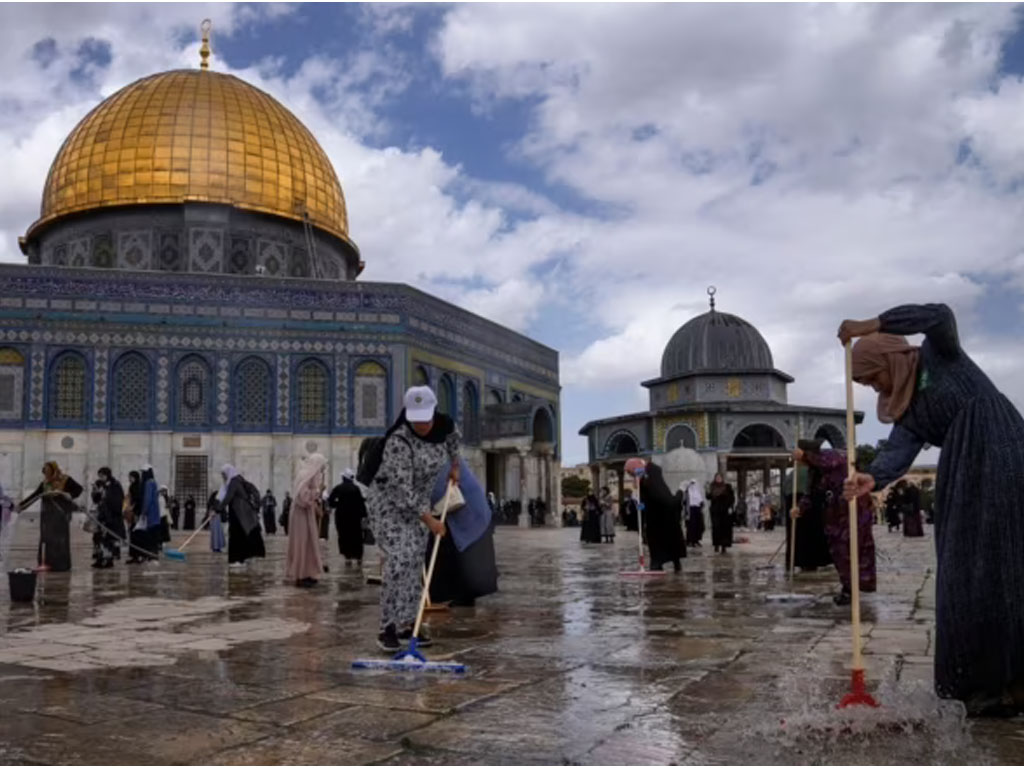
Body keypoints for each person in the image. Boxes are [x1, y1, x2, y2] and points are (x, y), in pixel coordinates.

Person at [840, 303, 1024, 717]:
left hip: (1001, 450)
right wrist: (873, 478)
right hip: (964, 468)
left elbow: (940, 314)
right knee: (966, 569)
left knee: (1005, 558)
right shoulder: (910, 409)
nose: (872, 387)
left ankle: (1014, 679)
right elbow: (897, 451)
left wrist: (873, 323)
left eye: (871, 376)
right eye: (864, 383)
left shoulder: (939, 355)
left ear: (889, 357)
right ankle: (984, 683)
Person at [364, 386, 459, 653]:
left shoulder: (444, 426)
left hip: (419, 503)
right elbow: (402, 491)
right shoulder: (398, 441)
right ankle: (387, 627)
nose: (422, 425)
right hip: (389, 504)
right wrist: (430, 521)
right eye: (416, 420)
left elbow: (453, 442)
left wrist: (455, 467)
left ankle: (408, 623)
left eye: (426, 419)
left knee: (414, 558)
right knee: (399, 558)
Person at [17, 462, 83, 572]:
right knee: (48, 539)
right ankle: (48, 563)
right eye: (45, 471)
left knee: (60, 539)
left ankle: (61, 564)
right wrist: (21, 506)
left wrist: (68, 494)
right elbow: (35, 495)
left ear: (53, 470)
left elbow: (79, 489)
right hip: (48, 516)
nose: (46, 474)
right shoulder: (45, 483)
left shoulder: (65, 480)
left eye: (48, 471)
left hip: (61, 515)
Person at [785, 441, 833, 573]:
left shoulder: (815, 471)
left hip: (809, 506)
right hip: (806, 506)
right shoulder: (802, 473)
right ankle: (809, 561)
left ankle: (800, 560)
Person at [631, 460, 684, 571]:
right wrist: (639, 505)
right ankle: (657, 562)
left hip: (666, 520)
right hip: (653, 521)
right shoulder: (644, 485)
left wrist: (680, 491)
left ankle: (675, 562)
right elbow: (642, 502)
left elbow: (670, 502)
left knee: (670, 542)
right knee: (656, 544)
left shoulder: (656, 484)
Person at [286, 454, 327, 587]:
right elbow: (303, 498)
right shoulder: (305, 475)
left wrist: (316, 508)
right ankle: (300, 575)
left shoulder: (307, 475)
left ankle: (308, 573)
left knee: (308, 543)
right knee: (302, 543)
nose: (321, 471)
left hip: (305, 513)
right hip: (300, 514)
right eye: (321, 468)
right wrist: (318, 491)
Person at [214, 464, 266, 567]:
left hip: (240, 513)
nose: (223, 477)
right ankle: (244, 557)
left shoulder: (234, 481)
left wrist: (218, 509)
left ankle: (237, 560)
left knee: (236, 536)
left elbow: (228, 497)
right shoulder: (238, 480)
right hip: (241, 512)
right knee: (243, 535)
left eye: (224, 474)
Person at [329, 469, 367, 565]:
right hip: (355, 517)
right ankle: (358, 556)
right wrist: (364, 515)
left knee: (344, 536)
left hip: (342, 517)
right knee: (356, 536)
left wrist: (337, 505)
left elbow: (330, 501)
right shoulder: (356, 489)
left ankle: (348, 556)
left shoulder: (338, 488)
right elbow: (361, 503)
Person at [91, 467, 125, 568]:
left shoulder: (115, 485)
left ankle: (108, 559)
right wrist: (96, 492)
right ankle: (100, 558)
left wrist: (105, 496)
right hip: (102, 516)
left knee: (109, 539)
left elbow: (117, 500)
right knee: (98, 538)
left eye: (102, 476)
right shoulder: (101, 485)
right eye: (99, 476)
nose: (101, 478)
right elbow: (96, 500)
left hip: (112, 517)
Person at [708, 473, 735, 554]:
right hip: (715, 511)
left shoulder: (727, 487)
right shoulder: (712, 487)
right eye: (717, 477)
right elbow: (708, 497)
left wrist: (730, 507)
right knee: (716, 528)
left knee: (725, 529)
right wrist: (707, 490)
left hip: (725, 511)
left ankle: (724, 546)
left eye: (720, 477)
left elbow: (732, 498)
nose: (718, 479)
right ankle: (716, 545)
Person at [683, 479, 705, 547]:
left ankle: (696, 540)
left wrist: (701, 505)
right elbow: (684, 501)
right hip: (690, 510)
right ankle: (690, 540)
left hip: (697, 509)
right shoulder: (687, 492)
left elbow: (701, 501)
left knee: (698, 525)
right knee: (691, 526)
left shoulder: (698, 492)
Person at [207, 489, 225, 553]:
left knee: (218, 532)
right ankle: (215, 547)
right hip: (214, 517)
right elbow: (212, 509)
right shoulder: (213, 502)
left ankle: (217, 547)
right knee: (215, 533)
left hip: (217, 516)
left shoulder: (217, 501)